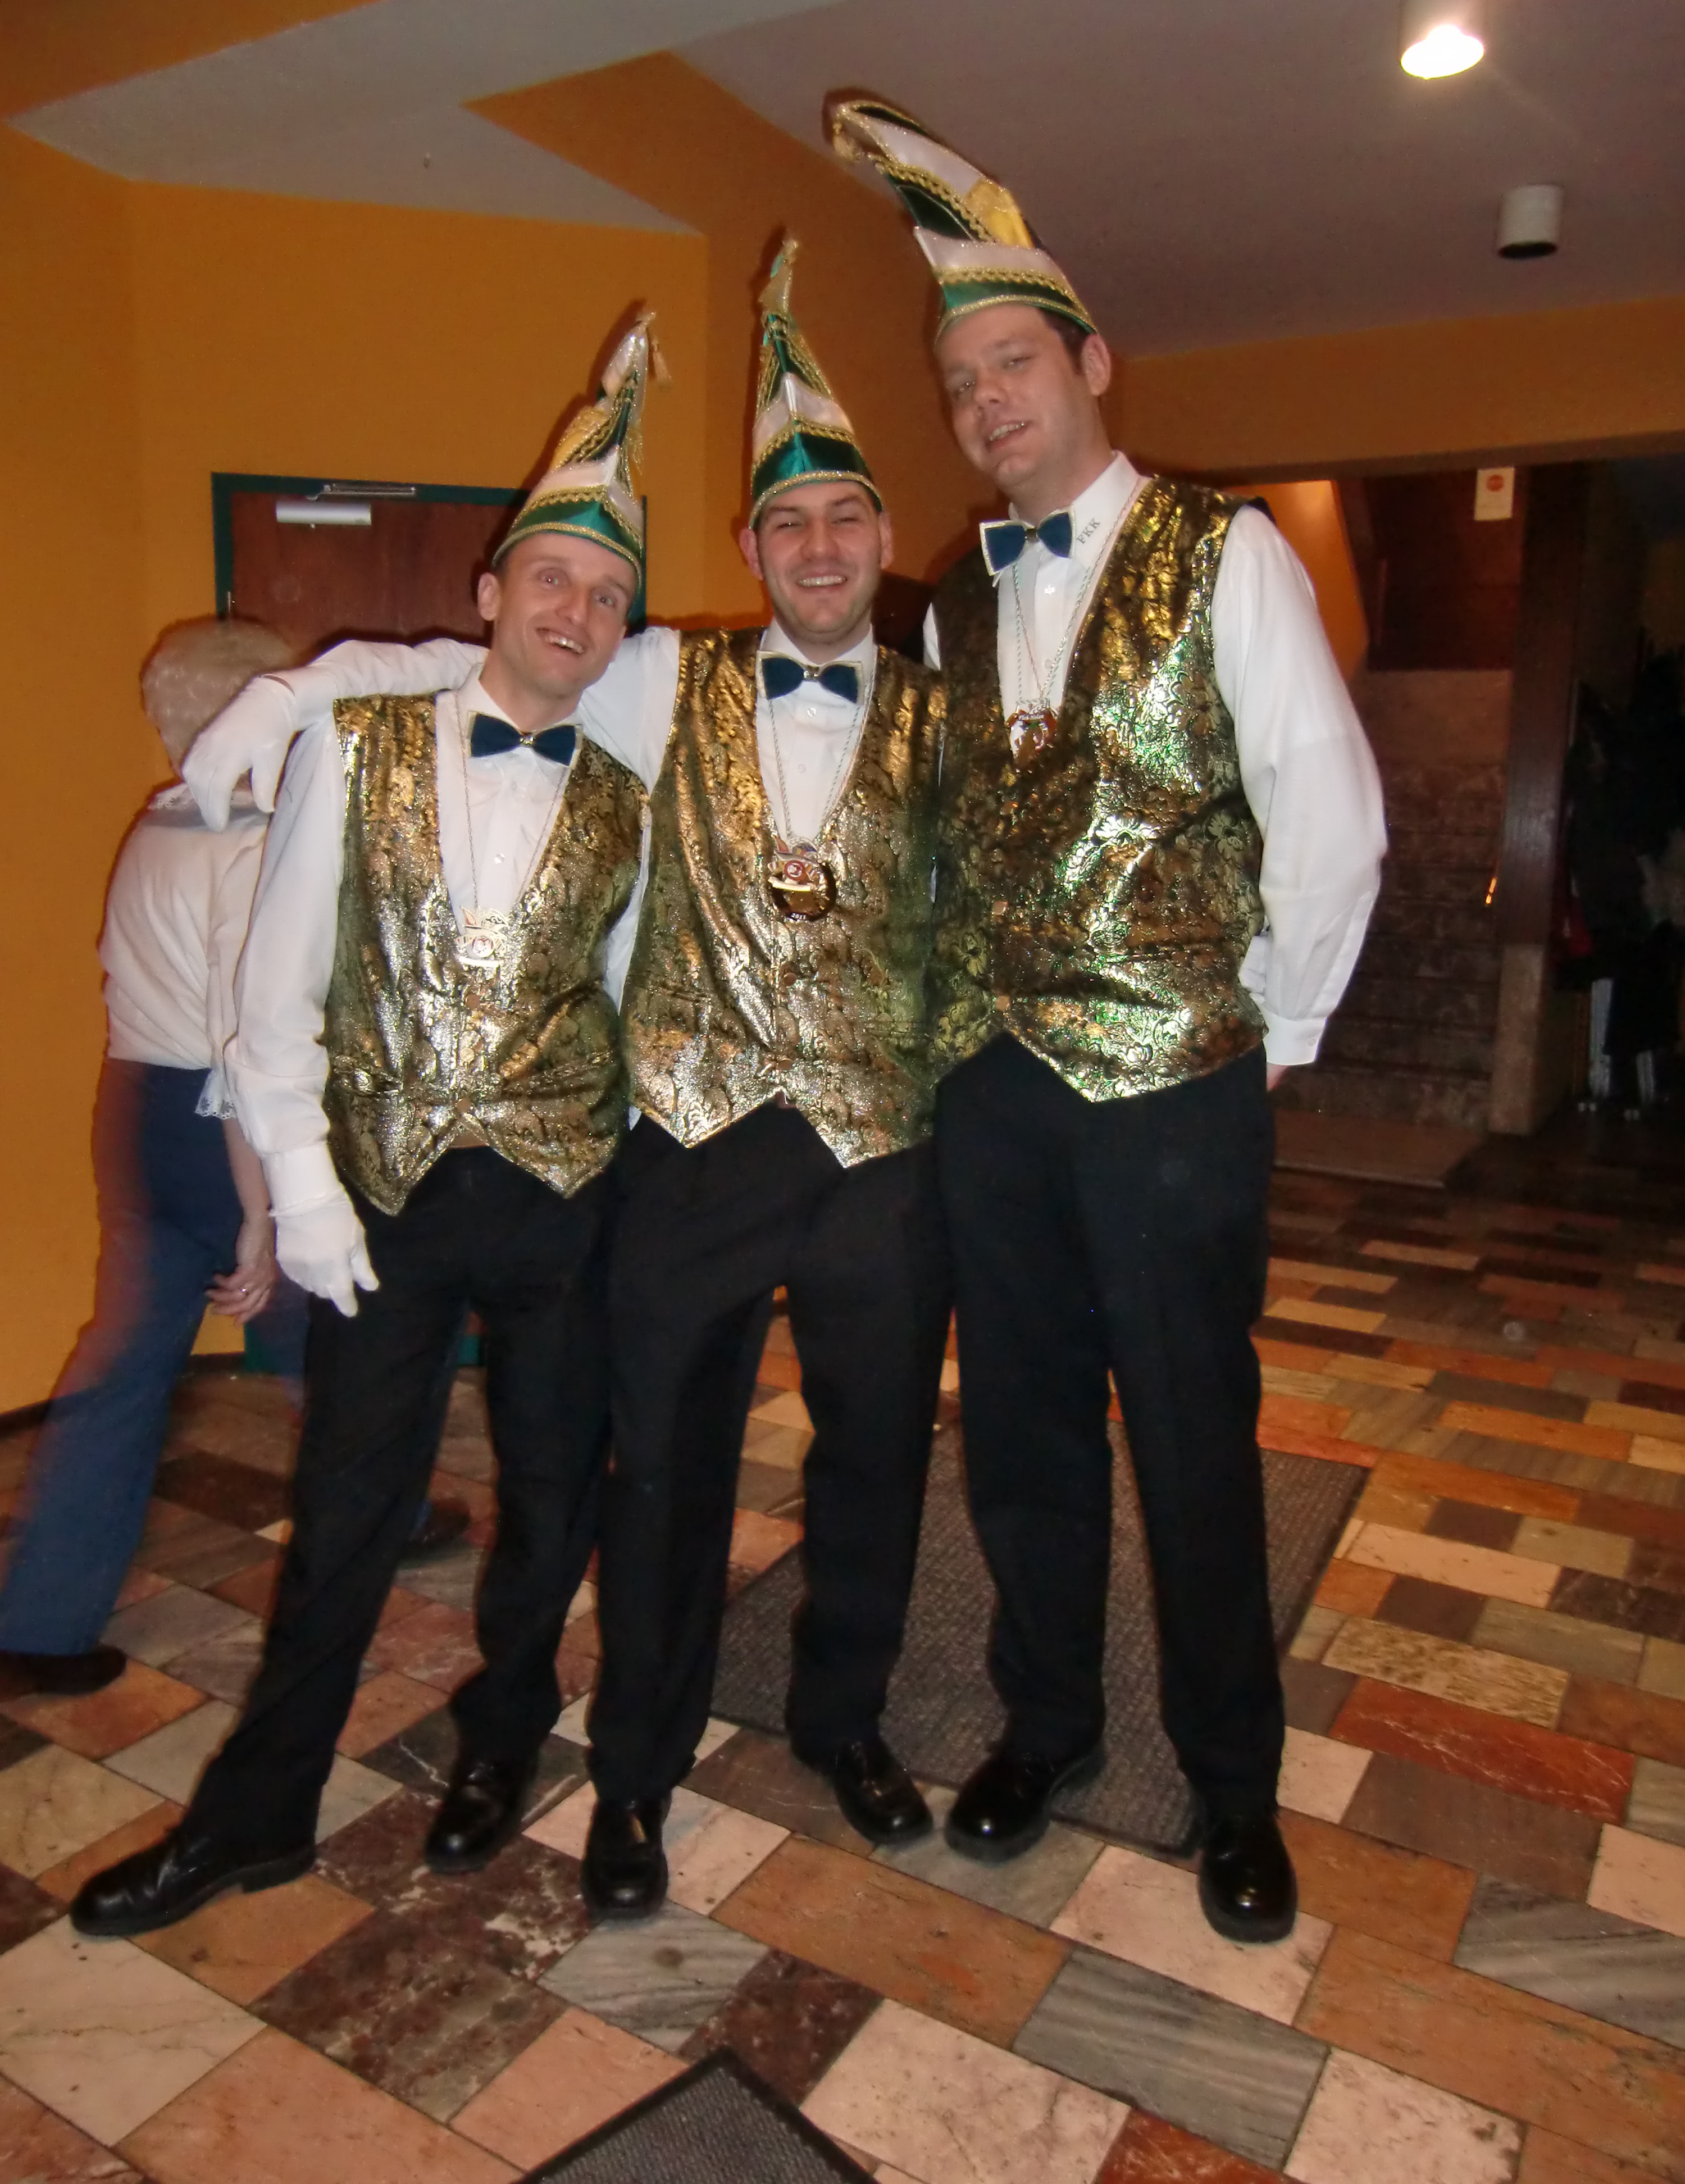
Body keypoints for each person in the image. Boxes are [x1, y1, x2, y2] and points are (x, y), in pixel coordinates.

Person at [179, 244, 952, 1920]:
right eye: (790, 524)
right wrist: (293, 688)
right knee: (655, 1479)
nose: (821, 548)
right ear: (750, 548)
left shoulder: (946, 717)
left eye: (848, 520)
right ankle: (633, 1781)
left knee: (877, 1461)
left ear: (887, 537)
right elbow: (467, 675)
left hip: (879, 1157)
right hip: (685, 1150)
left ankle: (845, 1720)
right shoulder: (664, 677)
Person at [832, 98, 1387, 1943]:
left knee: (1196, 1441)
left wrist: (1268, 1036)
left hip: (1173, 1087)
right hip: (994, 1088)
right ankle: (1047, 1728)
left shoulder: (1225, 551)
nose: (984, 400)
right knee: (1023, 1435)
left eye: (1011, 361)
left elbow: (1327, 809)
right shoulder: (946, 609)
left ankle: (1233, 1784)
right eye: (958, 382)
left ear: (1090, 364)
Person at [72, 317, 657, 1939]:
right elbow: (275, 1002)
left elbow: (616, 1003)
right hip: (383, 1202)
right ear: (489, 591)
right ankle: (253, 1818)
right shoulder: (360, 739)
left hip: (563, 1202)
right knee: (342, 1516)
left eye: (608, 595)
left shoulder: (629, 793)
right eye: (552, 577)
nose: (576, 611)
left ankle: (501, 1741)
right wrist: (312, 1202)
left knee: (553, 1496)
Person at [0, 621, 294, 1697]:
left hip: (132, 1110)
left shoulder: (155, 824)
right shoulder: (251, 847)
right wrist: (260, 1217)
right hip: (221, 1130)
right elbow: (240, 1050)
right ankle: (384, 1518)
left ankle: (38, 1621)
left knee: (120, 1370)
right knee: (349, 1337)